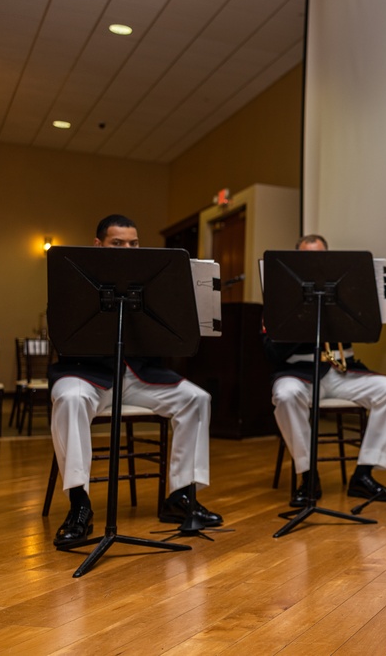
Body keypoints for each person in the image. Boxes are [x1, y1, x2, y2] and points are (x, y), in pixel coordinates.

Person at [49, 214, 221, 548]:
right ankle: (79, 505)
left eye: (133, 243)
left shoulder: (154, 280)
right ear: (98, 245)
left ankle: (180, 496)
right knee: (69, 399)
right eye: (118, 243)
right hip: (88, 374)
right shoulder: (74, 276)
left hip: (140, 375)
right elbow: (64, 333)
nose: (128, 249)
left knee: (197, 399)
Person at [264, 234, 386, 507]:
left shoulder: (345, 290)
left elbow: (368, 330)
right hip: (300, 373)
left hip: (343, 371)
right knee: (284, 396)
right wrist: (303, 315)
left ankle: (363, 475)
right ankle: (308, 475)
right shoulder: (280, 295)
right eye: (306, 257)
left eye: (320, 257)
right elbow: (271, 353)